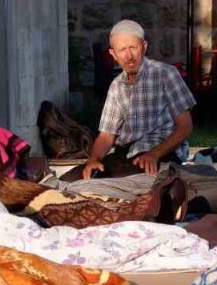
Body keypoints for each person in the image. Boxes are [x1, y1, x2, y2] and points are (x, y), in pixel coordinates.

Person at [76, 20, 196, 180]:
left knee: (123, 182)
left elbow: (185, 127)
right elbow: (106, 136)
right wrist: (93, 159)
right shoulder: (116, 85)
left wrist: (154, 154)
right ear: (113, 55)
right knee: (77, 178)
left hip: (161, 152)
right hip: (126, 154)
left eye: (133, 47)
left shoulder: (166, 74)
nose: (129, 56)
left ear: (144, 47)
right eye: (122, 50)